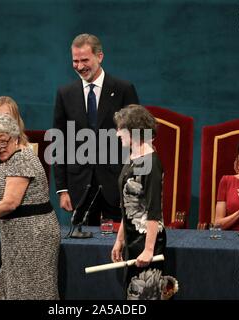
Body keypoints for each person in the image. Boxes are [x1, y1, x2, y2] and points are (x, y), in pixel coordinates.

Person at [53, 33, 139, 226]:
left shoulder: (124, 89)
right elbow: (60, 142)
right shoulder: (65, 94)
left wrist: (134, 183)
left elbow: (138, 138)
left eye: (85, 60)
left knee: (117, 243)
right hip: (80, 187)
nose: (80, 66)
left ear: (99, 57)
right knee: (82, 247)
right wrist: (62, 189)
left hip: (117, 184)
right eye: (75, 61)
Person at [0, 114, 60, 300]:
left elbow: (10, 202)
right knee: (13, 289)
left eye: (3, 140)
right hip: (17, 237)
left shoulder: (21, 158)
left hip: (33, 237)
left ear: (15, 137)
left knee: (32, 291)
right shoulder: (7, 158)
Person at [110, 104, 166, 299]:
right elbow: (128, 206)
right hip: (132, 241)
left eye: (121, 129)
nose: (117, 133)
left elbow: (153, 211)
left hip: (147, 242)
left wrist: (149, 249)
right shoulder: (134, 158)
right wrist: (120, 240)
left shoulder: (150, 162)